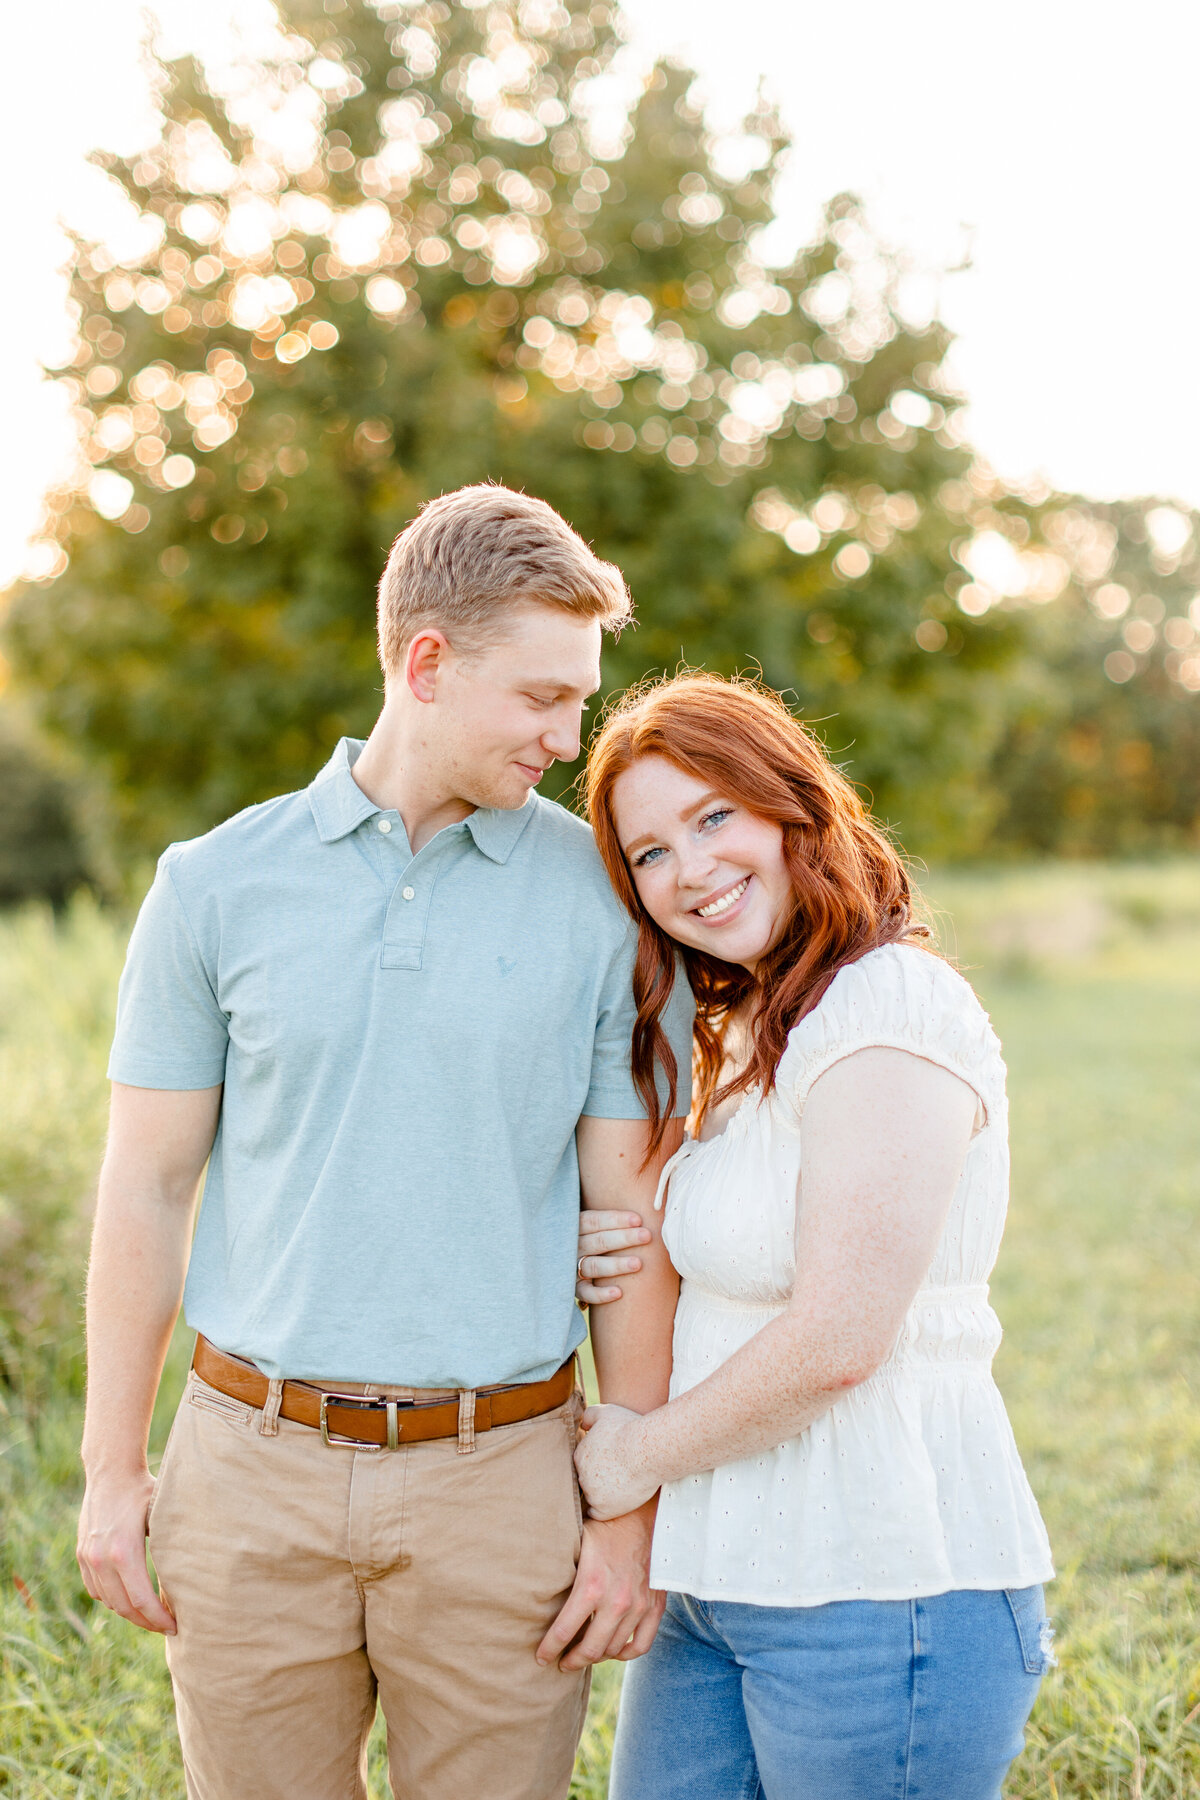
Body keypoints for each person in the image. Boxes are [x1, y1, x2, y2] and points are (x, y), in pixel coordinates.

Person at [75, 486, 694, 1800]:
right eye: (540, 697)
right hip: (248, 1475)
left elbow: (630, 1223)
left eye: (579, 698)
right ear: (426, 663)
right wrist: (110, 1470)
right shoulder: (212, 887)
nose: (567, 735)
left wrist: (626, 1524)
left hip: (505, 1480)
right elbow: (145, 1187)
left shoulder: (604, 900)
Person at [572, 672, 1055, 1800]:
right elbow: (727, 1257)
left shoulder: (889, 1003)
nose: (688, 870)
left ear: (792, 809)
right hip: (714, 1585)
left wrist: (629, 1458)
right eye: (647, 854)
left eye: (712, 817)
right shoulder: (742, 1032)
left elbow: (841, 1333)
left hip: (884, 1587)